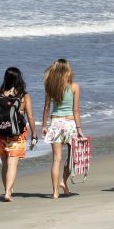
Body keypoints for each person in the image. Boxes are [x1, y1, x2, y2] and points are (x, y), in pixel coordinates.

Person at [41, 59, 85, 199]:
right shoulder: (74, 87)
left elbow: (46, 107)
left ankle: (55, 192)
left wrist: (44, 126)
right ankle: (63, 181)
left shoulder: (50, 87)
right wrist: (79, 129)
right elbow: (76, 110)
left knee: (56, 159)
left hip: (55, 124)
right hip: (70, 124)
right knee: (72, 158)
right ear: (67, 71)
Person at [0, 67, 36, 202]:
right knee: (12, 164)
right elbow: (30, 117)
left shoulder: (1, 93)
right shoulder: (24, 96)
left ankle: (8, 188)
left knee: (5, 164)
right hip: (17, 135)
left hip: (1, 134)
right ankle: (8, 193)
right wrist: (34, 134)